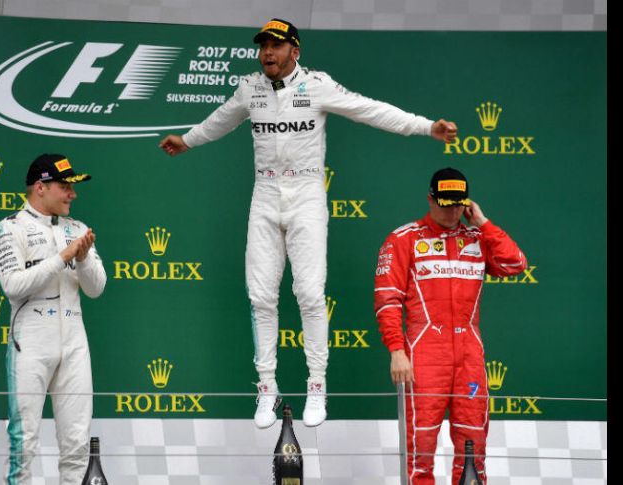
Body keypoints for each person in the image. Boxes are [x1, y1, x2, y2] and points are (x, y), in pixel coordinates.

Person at [160, 18, 458, 429]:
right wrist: (188, 139)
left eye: (276, 45)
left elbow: (370, 110)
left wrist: (426, 127)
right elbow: (222, 118)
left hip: (306, 195)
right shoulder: (250, 88)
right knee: (260, 295)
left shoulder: (317, 85)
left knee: (310, 293)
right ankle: (267, 386)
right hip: (265, 194)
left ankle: (317, 385)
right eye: (263, 46)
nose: (267, 53)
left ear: (294, 51)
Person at [373, 167, 527, 485]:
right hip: (425, 357)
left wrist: (483, 223)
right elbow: (387, 299)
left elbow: (516, 263)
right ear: (430, 199)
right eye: (445, 203)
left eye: (458, 204)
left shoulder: (478, 239)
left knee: (474, 445)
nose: (452, 211)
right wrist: (397, 351)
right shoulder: (404, 239)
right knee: (420, 448)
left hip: (469, 357)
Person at [0, 154, 107, 485]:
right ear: (40, 187)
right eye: (65, 186)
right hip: (30, 343)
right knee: (23, 445)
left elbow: (96, 289)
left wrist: (83, 259)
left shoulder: (77, 229)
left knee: (76, 446)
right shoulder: (9, 228)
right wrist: (63, 257)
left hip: (74, 344)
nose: (73, 194)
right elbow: (13, 286)